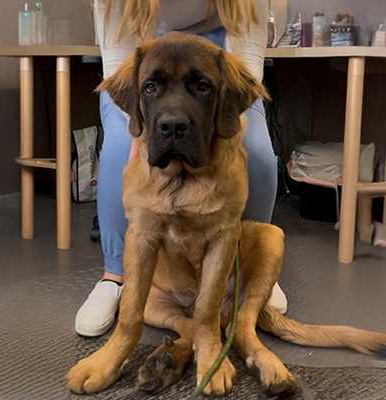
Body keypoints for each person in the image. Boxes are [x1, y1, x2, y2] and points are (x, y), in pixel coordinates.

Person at [75, 0, 287, 337]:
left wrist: (222, 123)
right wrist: (141, 134)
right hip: (143, 74)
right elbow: (120, 62)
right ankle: (114, 276)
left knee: (258, 151)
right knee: (118, 151)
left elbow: (246, 63)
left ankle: (245, 268)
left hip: (218, 72)